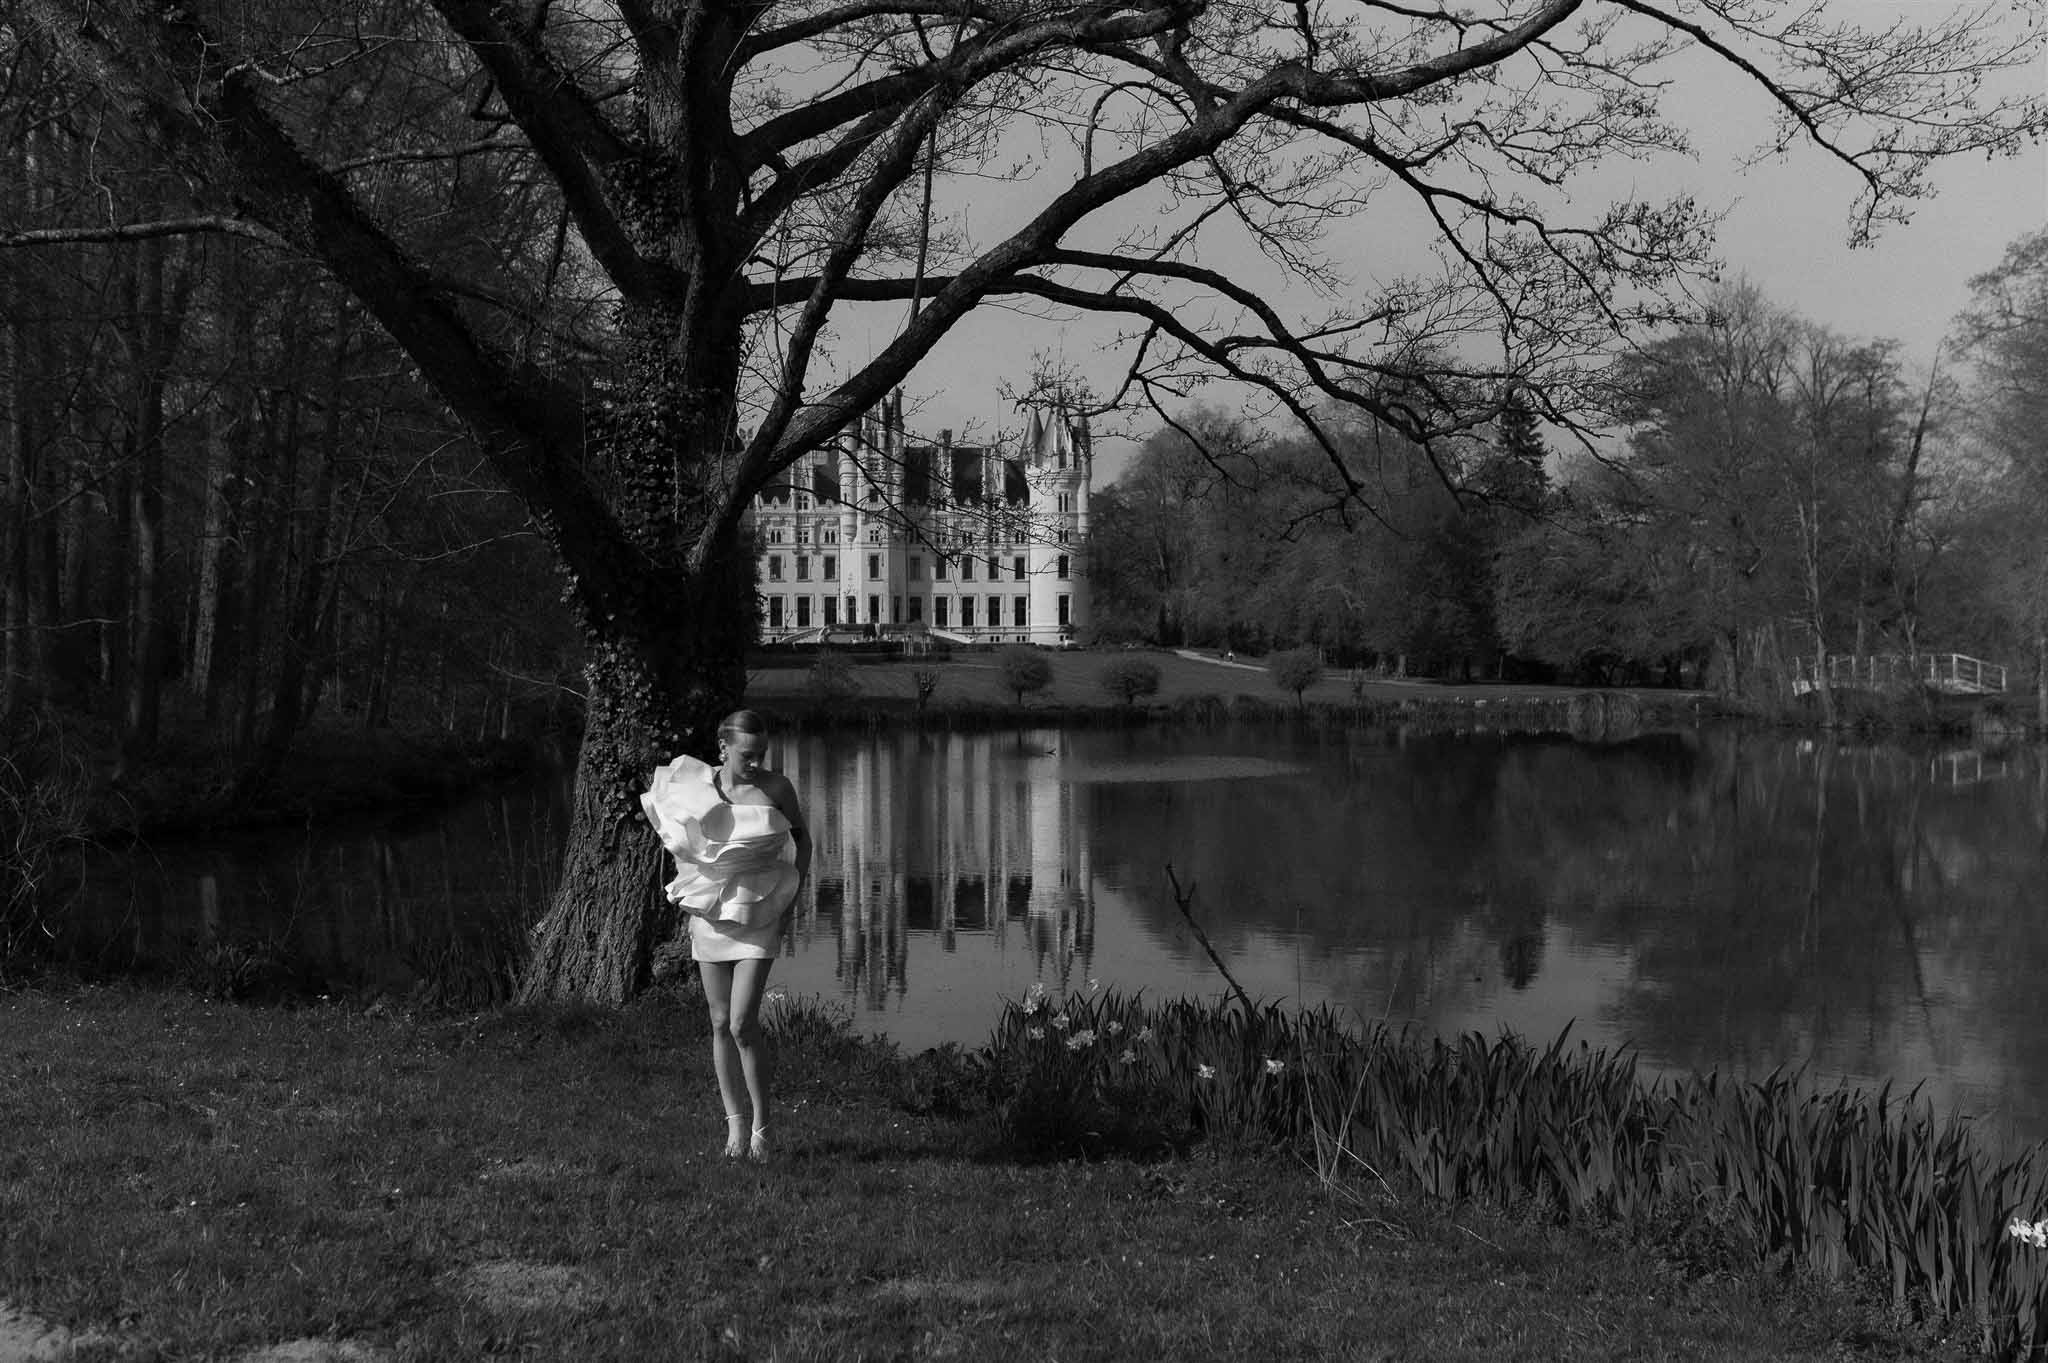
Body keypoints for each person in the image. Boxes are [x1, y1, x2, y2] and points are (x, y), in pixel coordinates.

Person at [641, 709, 811, 1161]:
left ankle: (762, 1126)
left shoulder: (777, 789)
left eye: (762, 755)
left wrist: (794, 893)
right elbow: (674, 835)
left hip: (762, 907)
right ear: (723, 748)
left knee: (741, 1023)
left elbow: (804, 840)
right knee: (719, 1022)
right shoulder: (697, 787)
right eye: (747, 755)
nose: (755, 762)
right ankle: (734, 1126)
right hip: (711, 911)